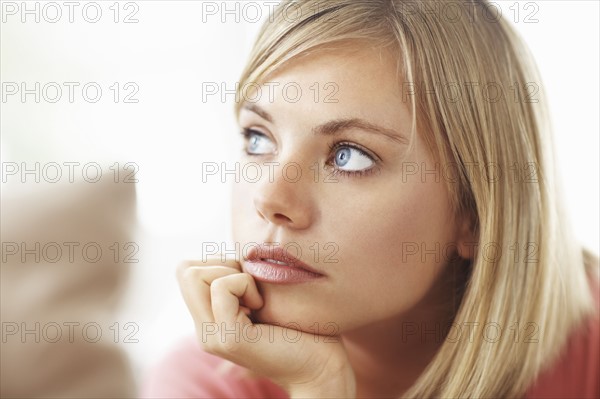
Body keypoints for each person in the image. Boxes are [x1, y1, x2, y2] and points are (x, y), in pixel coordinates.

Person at [142, 0, 599, 397]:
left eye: (349, 156)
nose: (270, 198)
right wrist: (317, 385)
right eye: (258, 139)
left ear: (475, 215)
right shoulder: (200, 384)